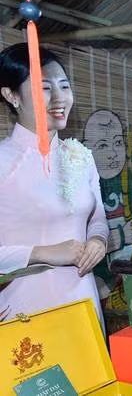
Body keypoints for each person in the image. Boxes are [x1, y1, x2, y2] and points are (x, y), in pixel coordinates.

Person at [0, 43, 109, 323]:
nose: (60, 98)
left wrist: (98, 240)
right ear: (11, 95)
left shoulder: (81, 156)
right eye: (45, 88)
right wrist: (42, 253)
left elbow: (97, 218)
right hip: (26, 308)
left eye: (64, 86)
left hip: (83, 300)